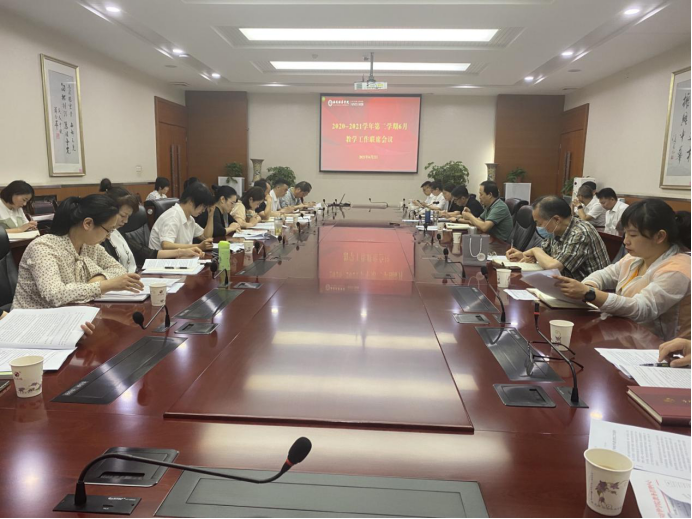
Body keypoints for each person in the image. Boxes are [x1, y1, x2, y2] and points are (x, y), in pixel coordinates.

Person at [554, 199, 691, 341]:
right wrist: (588, 286)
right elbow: (606, 274)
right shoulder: (636, 257)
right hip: (631, 336)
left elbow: (641, 308)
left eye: (633, 235)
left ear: (659, 236)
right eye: (625, 233)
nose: (625, 241)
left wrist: (591, 294)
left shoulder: (678, 270)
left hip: (664, 347)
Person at [12, 195, 144, 309]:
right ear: (88, 224)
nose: (109, 236)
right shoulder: (44, 247)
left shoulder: (89, 246)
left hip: (71, 314)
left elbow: (118, 269)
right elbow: (55, 294)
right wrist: (105, 285)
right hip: (34, 321)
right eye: (108, 230)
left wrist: (100, 278)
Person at [507, 196, 609, 280]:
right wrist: (523, 255)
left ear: (556, 219)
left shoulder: (581, 233)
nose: (537, 227)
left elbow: (554, 267)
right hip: (565, 285)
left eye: (539, 223)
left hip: (589, 292)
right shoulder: (557, 229)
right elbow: (545, 254)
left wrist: (535, 250)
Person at [104, 188, 203, 271]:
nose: (126, 221)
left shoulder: (118, 233)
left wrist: (183, 252)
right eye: (123, 215)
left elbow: (147, 253)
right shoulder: (100, 239)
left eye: (128, 216)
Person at [149, 182, 215, 252]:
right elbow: (166, 245)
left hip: (181, 257)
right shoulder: (173, 216)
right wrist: (198, 246)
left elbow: (206, 237)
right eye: (203, 206)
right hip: (163, 259)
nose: (204, 210)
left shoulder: (189, 219)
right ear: (191, 201)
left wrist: (210, 216)